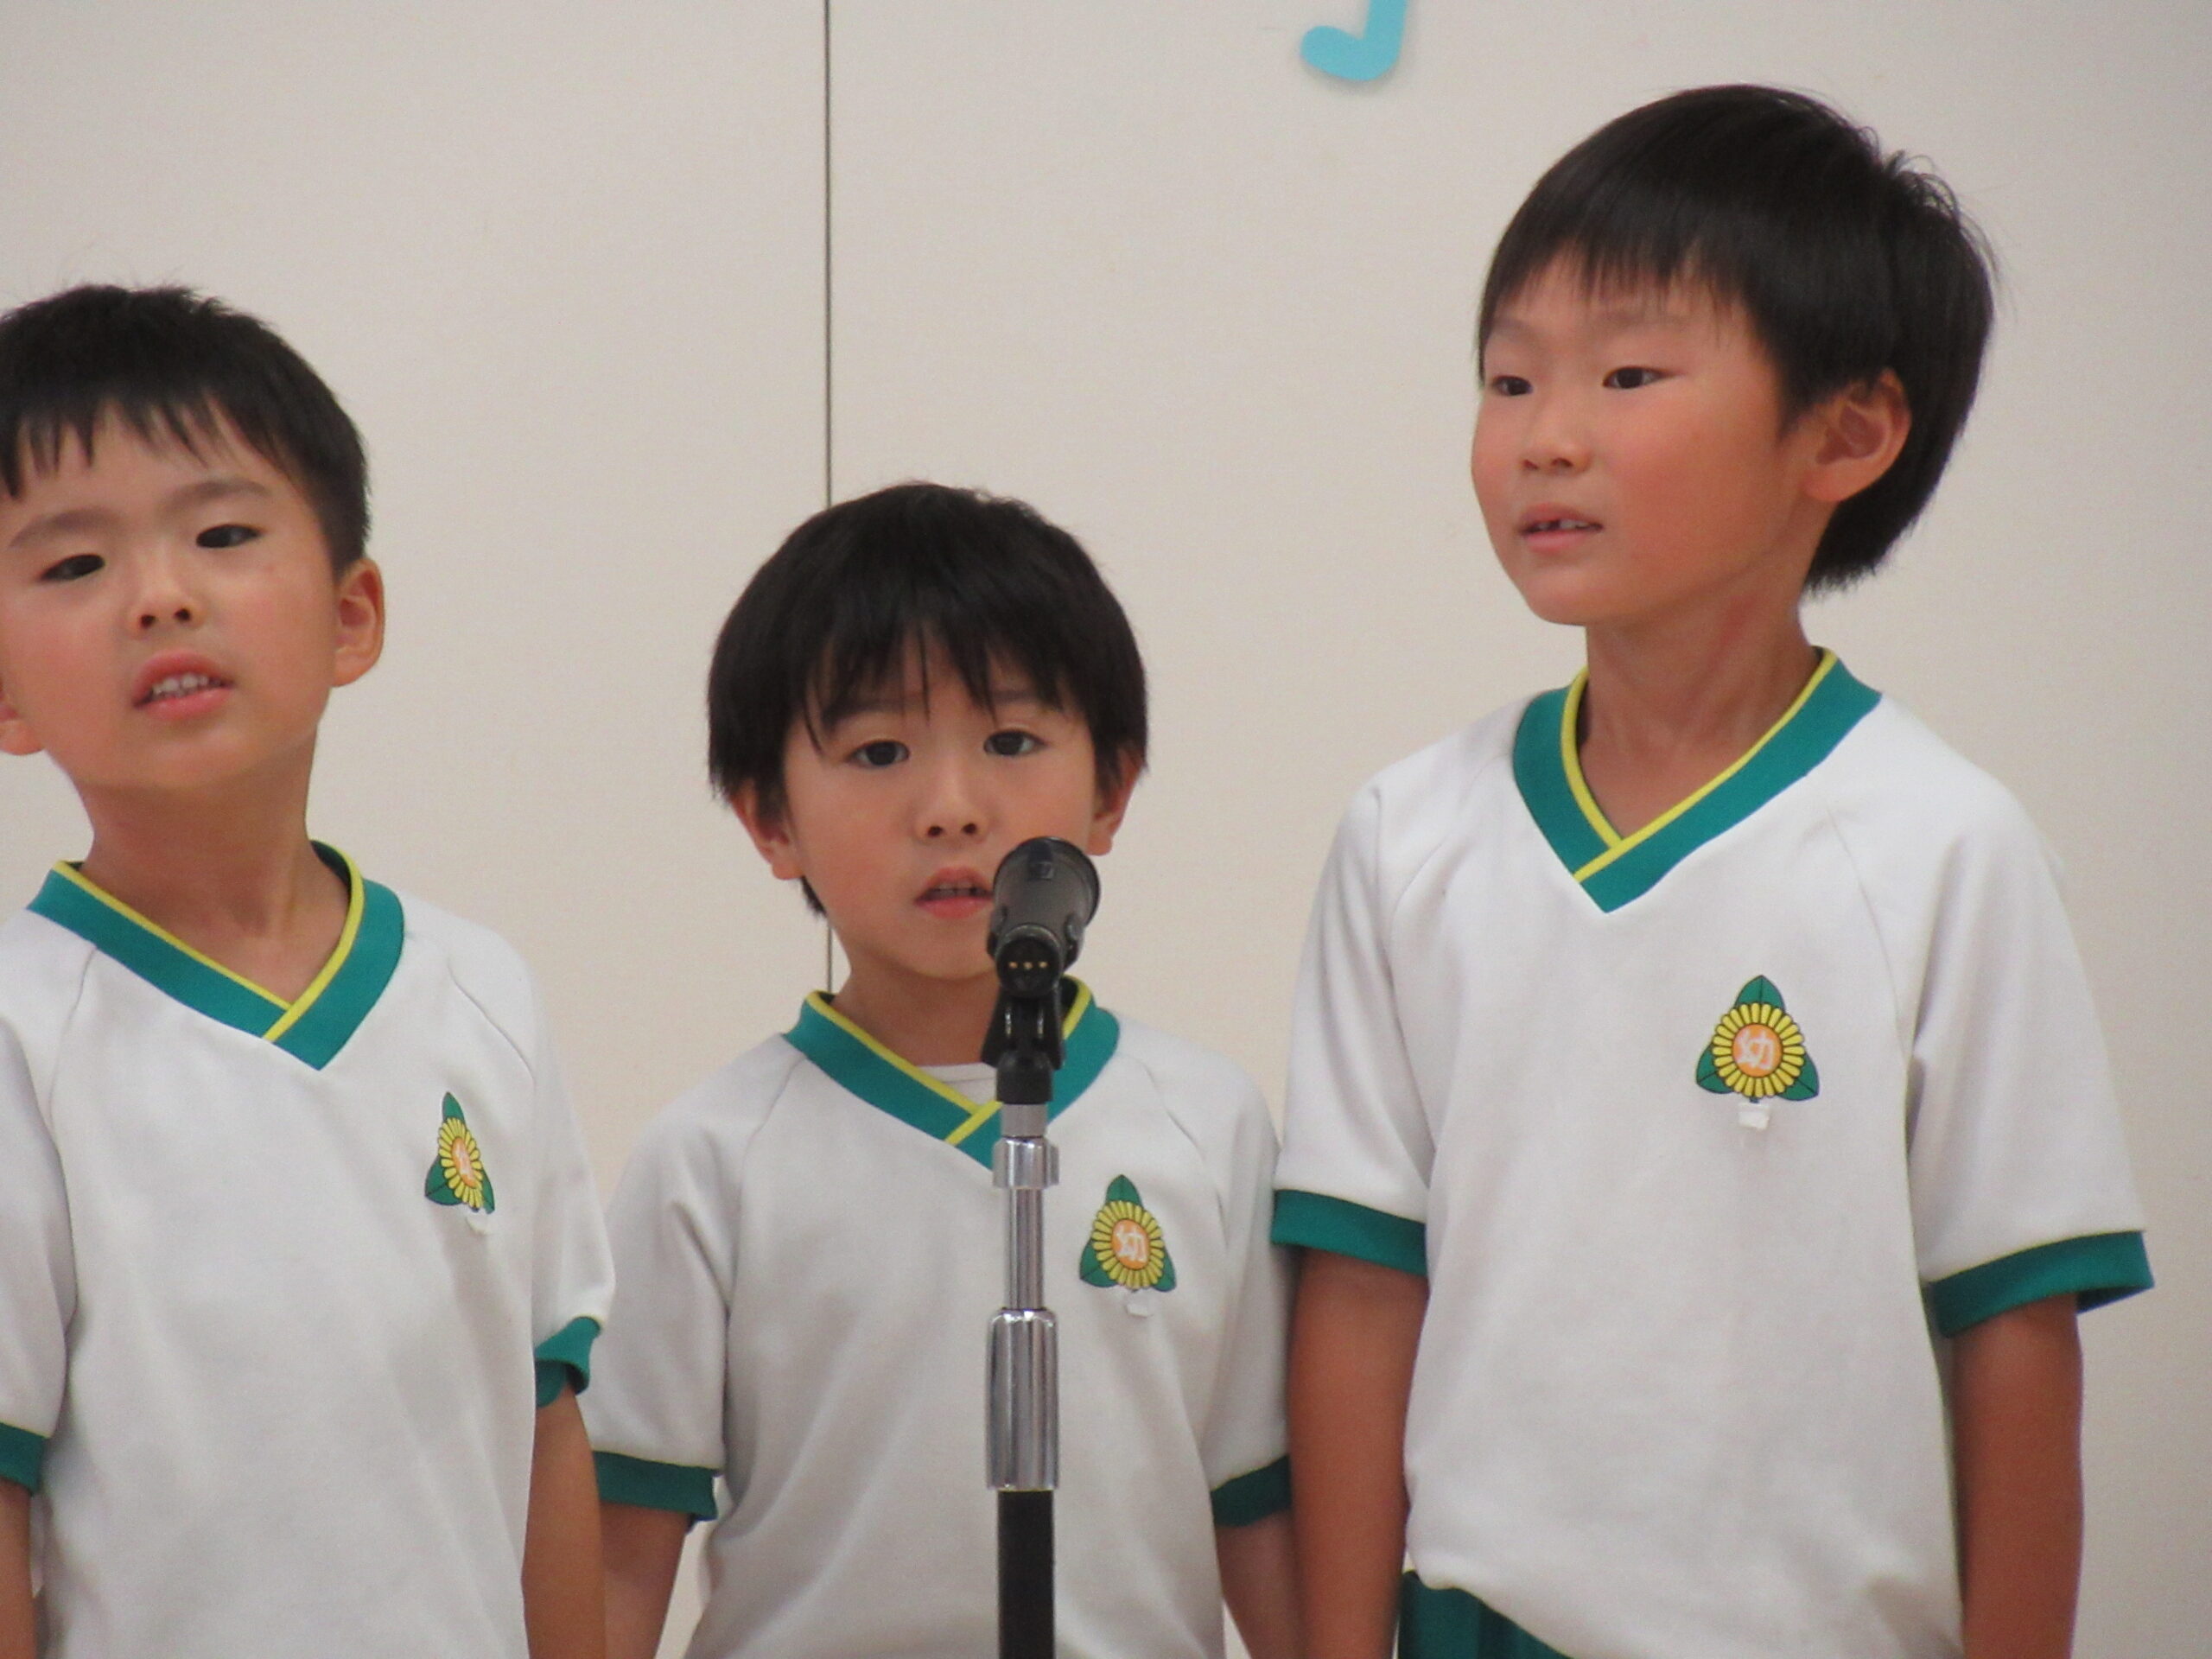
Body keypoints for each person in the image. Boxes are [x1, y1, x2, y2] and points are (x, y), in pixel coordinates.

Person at [1274, 86, 2152, 1659]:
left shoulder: (1945, 846)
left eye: (1627, 374)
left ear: (1847, 434)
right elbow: (1359, 1291)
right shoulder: (1408, 834)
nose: (1546, 434)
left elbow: (2014, 1337)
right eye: (1509, 377)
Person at [0, 285, 613, 1659]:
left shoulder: (482, 994)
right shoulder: (22, 1036)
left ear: (351, 616)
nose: (161, 595)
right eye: (74, 564)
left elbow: (544, 1427)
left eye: (222, 535)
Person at [584, 481, 1299, 1659]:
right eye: (878, 752)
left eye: (1011, 742)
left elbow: (1261, 1513)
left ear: (1111, 789)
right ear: (769, 818)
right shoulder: (712, 1159)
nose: (951, 810)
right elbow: (620, 1555)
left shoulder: (1205, 1122)